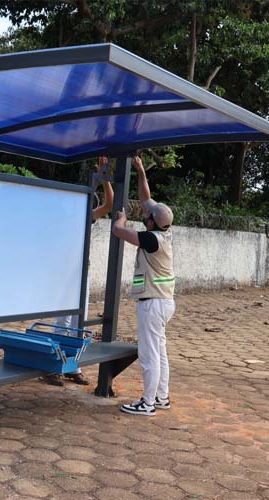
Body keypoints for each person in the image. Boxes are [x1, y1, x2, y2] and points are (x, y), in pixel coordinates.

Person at [111, 156, 176, 416]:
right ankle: (162, 397)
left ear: (151, 221)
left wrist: (122, 219)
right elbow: (145, 198)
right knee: (159, 352)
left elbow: (119, 232)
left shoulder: (150, 239)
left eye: (146, 215)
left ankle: (147, 404)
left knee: (149, 355)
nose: (144, 213)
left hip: (153, 304)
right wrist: (140, 171)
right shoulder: (164, 228)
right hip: (164, 302)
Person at [44, 156, 114, 387]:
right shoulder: (61, 221)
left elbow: (109, 204)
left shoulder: (86, 218)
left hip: (80, 275)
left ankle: (72, 366)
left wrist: (104, 179)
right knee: (62, 322)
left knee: (78, 324)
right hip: (63, 275)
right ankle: (53, 366)